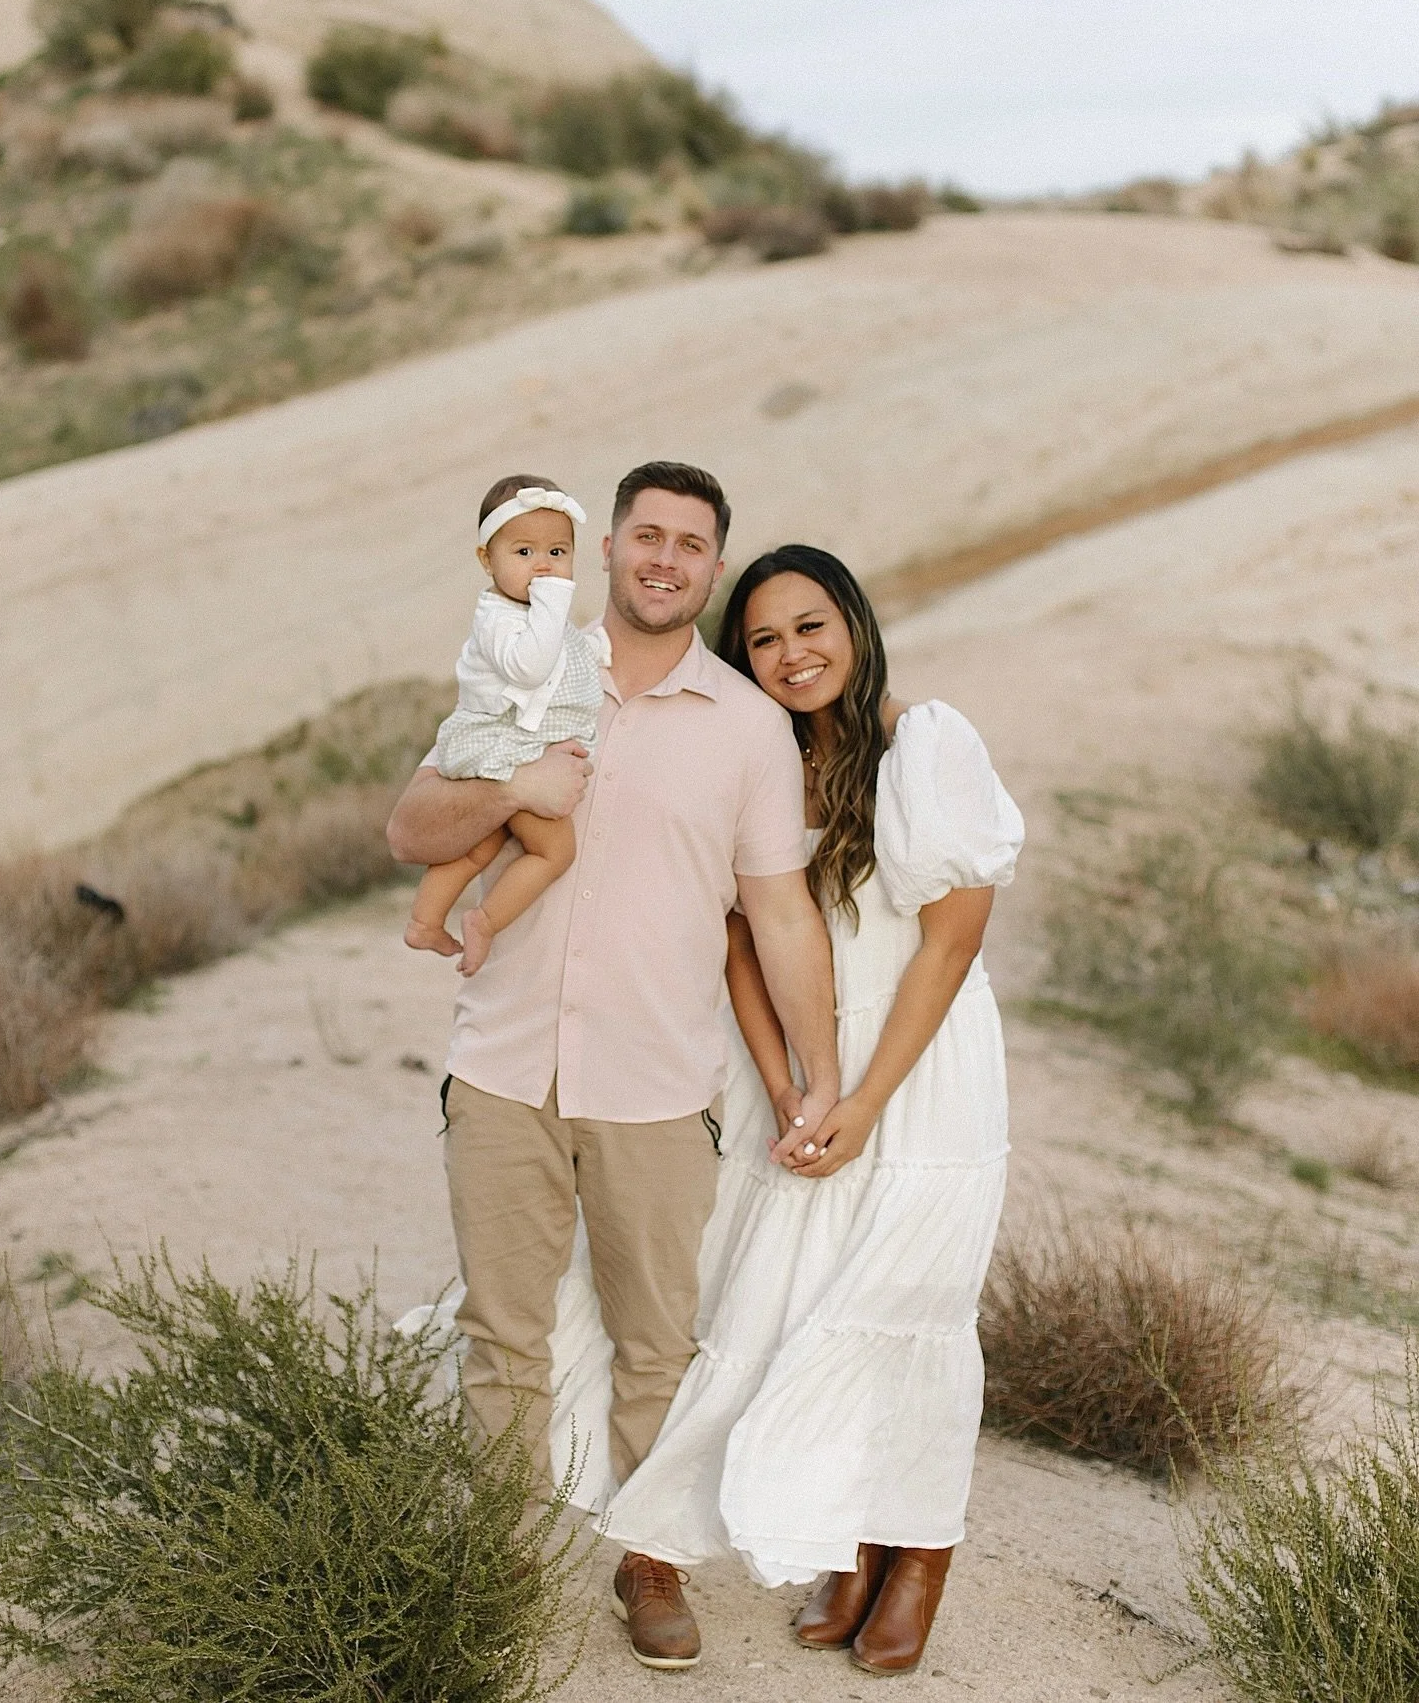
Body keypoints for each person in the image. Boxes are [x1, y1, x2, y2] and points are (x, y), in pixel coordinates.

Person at [385, 464, 841, 1673]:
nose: (665, 558)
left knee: (657, 1345)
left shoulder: (749, 727)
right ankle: (493, 1559)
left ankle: (653, 1562)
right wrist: (511, 784)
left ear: (711, 567)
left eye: (692, 544)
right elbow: (412, 831)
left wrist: (824, 1075)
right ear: (608, 549)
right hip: (504, 1072)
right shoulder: (526, 667)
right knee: (503, 1336)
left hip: (654, 1084)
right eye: (647, 534)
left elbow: (781, 916)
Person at [601, 544, 1025, 1677]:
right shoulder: (758, 763)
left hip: (922, 1065)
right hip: (800, 1065)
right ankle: (848, 1538)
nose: (791, 654)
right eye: (764, 639)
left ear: (853, 621)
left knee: (908, 1304)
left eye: (809, 626)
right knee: (799, 1301)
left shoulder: (925, 742)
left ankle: (919, 1550)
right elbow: (737, 940)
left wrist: (870, 1096)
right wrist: (791, 1079)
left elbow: (953, 937)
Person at [404, 475, 608, 977]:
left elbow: (564, 656)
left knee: (483, 842)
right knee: (556, 850)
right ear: (486, 561)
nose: (543, 565)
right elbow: (531, 668)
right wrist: (556, 600)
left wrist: (592, 647)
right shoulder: (498, 617)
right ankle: (487, 921)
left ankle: (425, 920)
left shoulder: (536, 617)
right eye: (523, 552)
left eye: (558, 552)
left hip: (514, 744)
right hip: (501, 746)